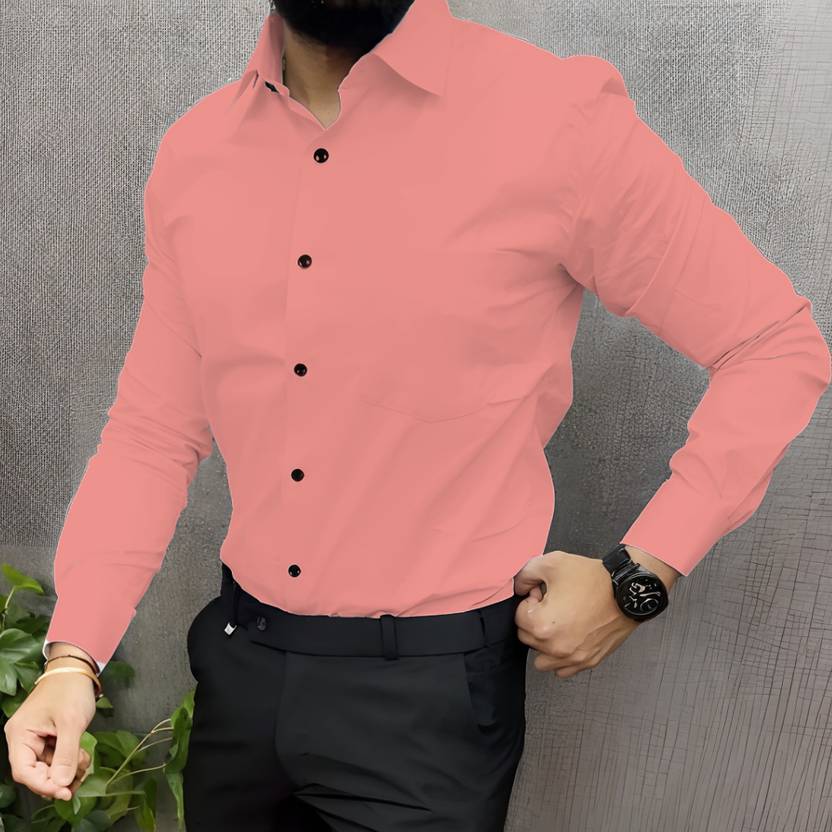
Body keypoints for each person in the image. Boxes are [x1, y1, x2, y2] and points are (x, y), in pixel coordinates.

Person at [6, 0, 831, 829]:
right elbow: (151, 434)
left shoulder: (556, 120)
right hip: (239, 673)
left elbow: (772, 344)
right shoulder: (197, 154)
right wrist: (72, 659)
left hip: (430, 704)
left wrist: (640, 575)